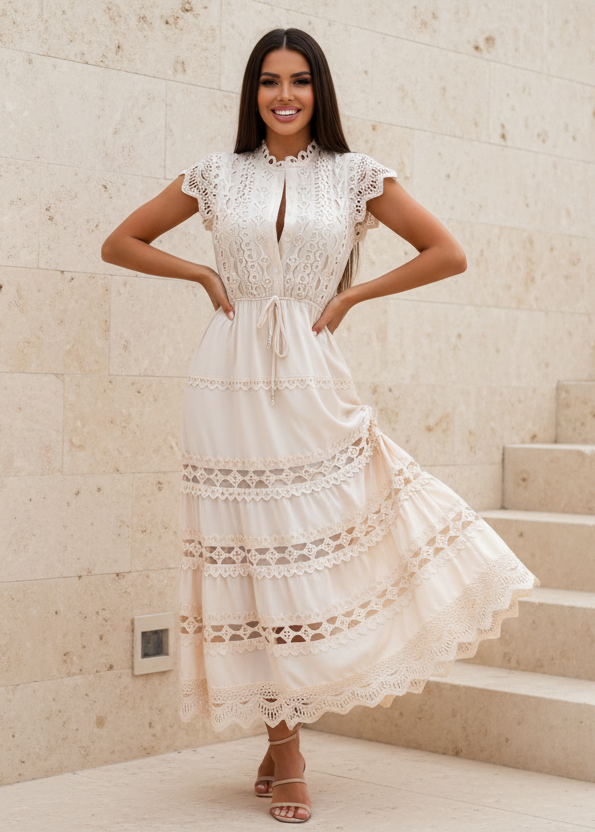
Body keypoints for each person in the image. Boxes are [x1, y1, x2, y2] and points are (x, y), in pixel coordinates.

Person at [101, 27, 539, 825]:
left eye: (299, 82)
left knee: (325, 547)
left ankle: (279, 739)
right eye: (269, 82)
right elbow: (120, 242)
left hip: (307, 373)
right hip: (224, 381)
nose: (284, 96)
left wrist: (347, 297)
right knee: (248, 561)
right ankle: (288, 745)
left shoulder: (354, 176)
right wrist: (201, 271)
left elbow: (446, 252)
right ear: (252, 92)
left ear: (319, 91)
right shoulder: (215, 174)